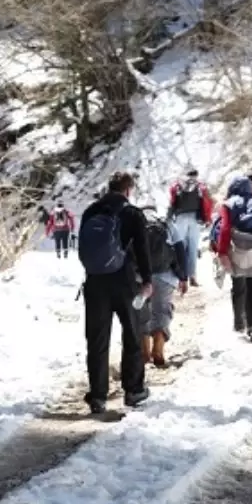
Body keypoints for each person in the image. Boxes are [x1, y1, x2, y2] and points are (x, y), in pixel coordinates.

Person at [78, 171, 154, 414]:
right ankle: (133, 390)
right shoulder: (132, 213)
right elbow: (143, 249)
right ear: (128, 190)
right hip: (125, 282)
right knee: (132, 334)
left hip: (95, 282)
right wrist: (148, 280)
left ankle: (98, 396)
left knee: (97, 339)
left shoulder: (91, 211)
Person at [215, 176, 252, 341]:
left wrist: (222, 252)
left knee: (238, 285)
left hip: (236, 247)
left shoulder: (228, 204)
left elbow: (224, 229)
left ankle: (239, 322)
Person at [139, 206, 189, 367]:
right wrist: (183, 276)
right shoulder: (166, 223)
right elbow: (180, 249)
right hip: (165, 274)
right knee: (161, 309)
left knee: (141, 310)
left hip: (139, 275)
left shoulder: (134, 222)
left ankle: (144, 351)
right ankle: (158, 347)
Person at [167, 168, 213, 287]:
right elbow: (208, 202)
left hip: (180, 218)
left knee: (180, 248)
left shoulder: (178, 185)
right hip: (195, 218)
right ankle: (192, 276)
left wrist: (168, 218)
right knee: (193, 248)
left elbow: (172, 203)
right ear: (196, 175)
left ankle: (180, 277)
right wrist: (207, 218)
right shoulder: (200, 186)